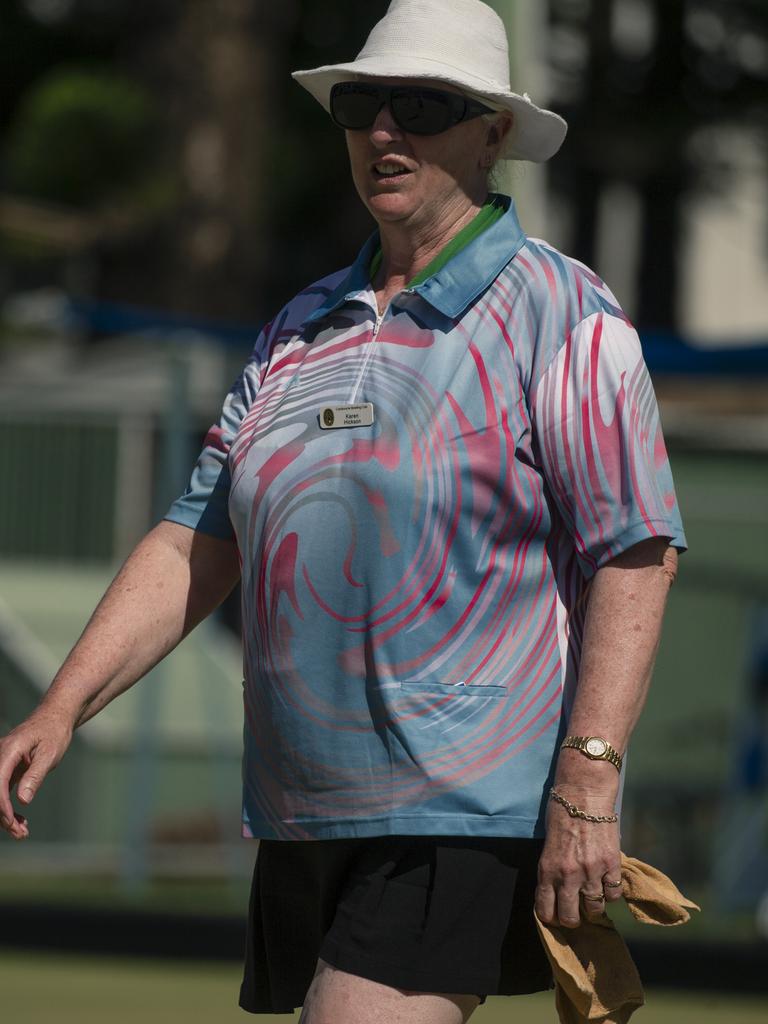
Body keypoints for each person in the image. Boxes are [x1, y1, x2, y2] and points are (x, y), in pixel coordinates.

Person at [0, 1, 688, 1021]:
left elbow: (633, 552)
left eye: (423, 105)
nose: (383, 131)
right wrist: (62, 706)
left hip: (464, 804)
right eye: (364, 103)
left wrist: (587, 783)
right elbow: (200, 533)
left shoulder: (563, 313)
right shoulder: (296, 325)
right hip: (305, 811)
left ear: (493, 132)